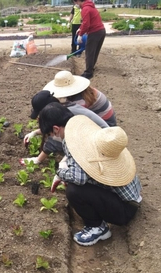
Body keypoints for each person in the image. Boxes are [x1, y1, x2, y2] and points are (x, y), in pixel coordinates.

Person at [38, 107, 142, 246]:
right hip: (133, 198)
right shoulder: (83, 131)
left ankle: (97, 228)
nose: (52, 138)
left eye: (50, 134)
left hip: (125, 211)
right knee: (76, 180)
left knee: (74, 190)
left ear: (56, 129)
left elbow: (78, 179)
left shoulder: (70, 140)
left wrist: (60, 173)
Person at [20, 90, 108, 166]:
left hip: (103, 141)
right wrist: (34, 133)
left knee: (58, 138)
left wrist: (38, 160)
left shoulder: (69, 114)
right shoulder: (62, 108)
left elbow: (68, 141)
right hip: (97, 136)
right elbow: (52, 129)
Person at [43, 71, 116, 126]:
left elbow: (72, 120)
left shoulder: (80, 101)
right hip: (107, 119)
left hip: (107, 126)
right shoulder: (86, 92)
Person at [75, 0, 105, 79]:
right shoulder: (91, 7)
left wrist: (80, 35)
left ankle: (88, 73)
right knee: (94, 52)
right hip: (101, 31)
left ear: (78, 1)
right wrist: (80, 28)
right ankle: (91, 68)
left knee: (89, 52)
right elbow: (88, 21)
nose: (75, 5)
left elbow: (86, 24)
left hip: (94, 32)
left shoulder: (85, 9)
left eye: (75, 3)